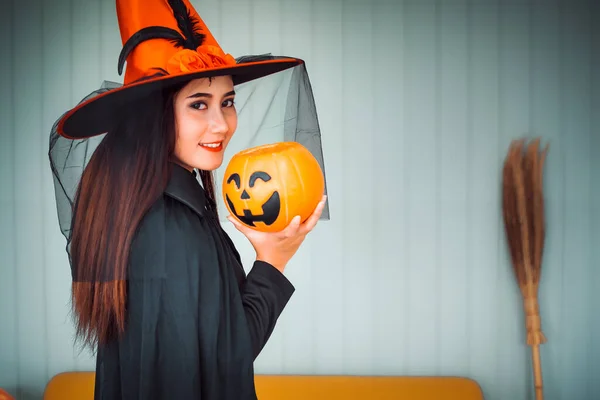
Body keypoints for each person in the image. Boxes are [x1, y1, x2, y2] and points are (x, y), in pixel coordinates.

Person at [47, 0, 329, 399]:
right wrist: (273, 261)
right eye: (199, 104)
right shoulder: (166, 225)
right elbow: (222, 363)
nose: (222, 124)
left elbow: (209, 351)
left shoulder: (144, 199)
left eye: (227, 102)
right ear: (153, 114)